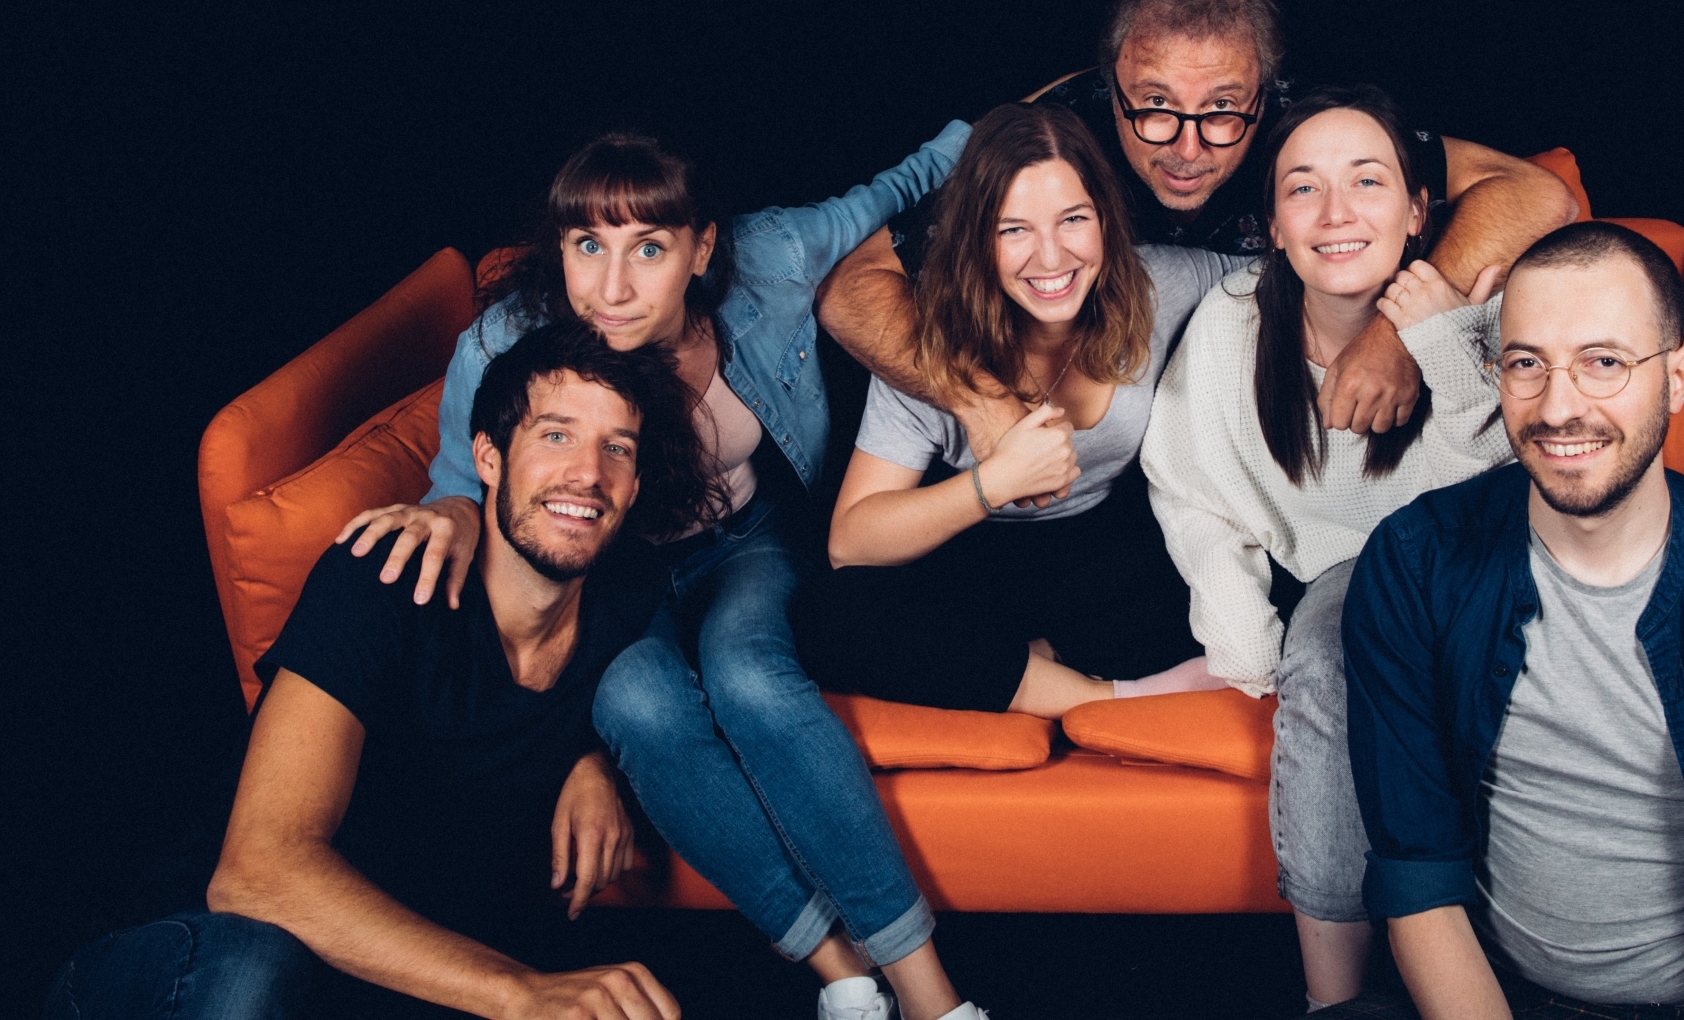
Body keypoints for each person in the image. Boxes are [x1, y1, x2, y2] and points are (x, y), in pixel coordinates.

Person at [337, 127, 988, 1020]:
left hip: (745, 541)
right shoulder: (505, 341)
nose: (612, 287)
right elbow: (464, 479)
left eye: (648, 248)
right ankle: (841, 976)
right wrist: (581, 752)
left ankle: (932, 997)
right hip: (610, 580)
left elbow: (899, 183)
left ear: (702, 247)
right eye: (586, 247)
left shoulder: (771, 257)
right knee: (638, 702)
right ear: (557, 250)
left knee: (750, 677)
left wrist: (1003, 119)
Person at [1336, 222, 1684, 1020]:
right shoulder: (1414, 563)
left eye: (1604, 362)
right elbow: (1417, 876)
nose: (1559, 406)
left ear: (1677, 377)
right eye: (1526, 363)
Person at [46, 323, 693, 1019]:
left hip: (380, 983)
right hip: (178, 966)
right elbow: (256, 872)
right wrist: (519, 991)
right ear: (489, 458)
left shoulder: (628, 596)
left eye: (617, 448)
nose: (588, 473)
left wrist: (593, 754)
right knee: (252, 966)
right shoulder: (381, 579)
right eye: (556, 435)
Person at [817, 0, 1578, 468]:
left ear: (1263, 89)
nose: (1186, 149)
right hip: (1095, 450)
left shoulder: (1304, 127)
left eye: (1221, 110)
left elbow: (1534, 190)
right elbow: (852, 289)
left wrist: (1397, 335)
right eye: (1153, 104)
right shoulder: (1056, 134)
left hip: (1256, 439)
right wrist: (979, 405)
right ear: (1109, 81)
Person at [1141, 86, 1519, 1010]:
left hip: (1478, 558)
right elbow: (1188, 488)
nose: (1337, 212)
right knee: (1322, 643)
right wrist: (1237, 625)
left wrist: (1432, 337)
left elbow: (1508, 475)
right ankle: (1339, 999)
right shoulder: (1235, 322)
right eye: (1303, 188)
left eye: (1368, 182)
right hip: (1337, 580)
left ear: (1419, 209)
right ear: (1271, 223)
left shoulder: (1477, 306)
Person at [801, 101, 1239, 717]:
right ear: (978, 240)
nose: (1051, 257)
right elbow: (850, 540)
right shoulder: (931, 335)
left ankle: (1020, 664)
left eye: (1073, 220)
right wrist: (992, 483)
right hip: (970, 561)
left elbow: (1294, 271)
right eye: (1014, 230)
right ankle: (1102, 695)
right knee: (831, 614)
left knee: (1253, 563)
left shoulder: (1162, 285)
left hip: (1111, 563)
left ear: (1107, 221)